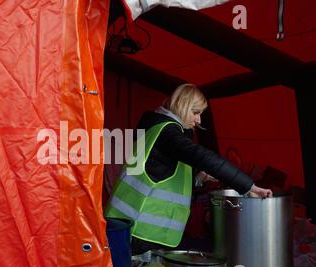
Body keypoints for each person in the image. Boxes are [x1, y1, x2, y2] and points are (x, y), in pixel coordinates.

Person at [104, 83, 272, 254]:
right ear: (182, 106)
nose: (199, 120)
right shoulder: (168, 133)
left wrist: (198, 179)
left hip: (127, 226)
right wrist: (248, 186)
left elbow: (158, 175)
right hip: (140, 232)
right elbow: (204, 157)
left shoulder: (154, 128)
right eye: (196, 112)